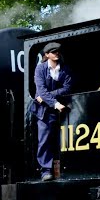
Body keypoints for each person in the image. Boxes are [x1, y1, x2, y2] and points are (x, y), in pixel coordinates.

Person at [31, 41, 73, 181]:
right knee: (44, 141)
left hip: (61, 109)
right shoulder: (40, 69)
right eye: (53, 52)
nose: (56, 54)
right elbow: (41, 90)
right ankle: (45, 171)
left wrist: (49, 96)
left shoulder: (65, 69)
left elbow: (67, 88)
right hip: (44, 111)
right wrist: (55, 103)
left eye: (57, 52)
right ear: (47, 55)